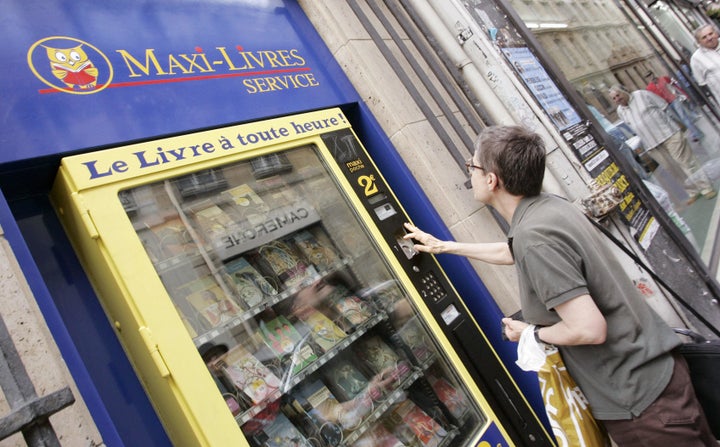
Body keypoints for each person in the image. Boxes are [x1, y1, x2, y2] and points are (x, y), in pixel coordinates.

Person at [402, 125, 715, 446]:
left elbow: (589, 329)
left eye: (472, 165)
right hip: (660, 376)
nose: (470, 172)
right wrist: (445, 247)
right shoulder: (548, 209)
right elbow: (513, 251)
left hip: (640, 403)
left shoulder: (533, 237)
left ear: (492, 179)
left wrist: (530, 335)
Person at [608, 85, 715, 204]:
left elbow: (663, 105)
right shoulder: (620, 111)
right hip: (652, 145)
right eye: (614, 98)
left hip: (669, 134)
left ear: (624, 92)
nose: (617, 99)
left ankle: (706, 188)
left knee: (686, 162)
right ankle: (693, 191)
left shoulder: (642, 94)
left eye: (618, 95)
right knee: (673, 169)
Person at [645, 71, 703, 141]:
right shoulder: (649, 88)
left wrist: (682, 94)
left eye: (650, 75)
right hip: (666, 105)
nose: (650, 77)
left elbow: (674, 86)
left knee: (683, 117)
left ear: (653, 74)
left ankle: (696, 134)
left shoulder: (664, 78)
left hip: (674, 99)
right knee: (680, 119)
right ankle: (697, 132)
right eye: (648, 77)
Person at [690, 24, 720, 104]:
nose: (709, 38)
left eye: (711, 34)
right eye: (704, 37)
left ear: (716, 33)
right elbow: (702, 83)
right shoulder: (696, 59)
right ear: (699, 42)